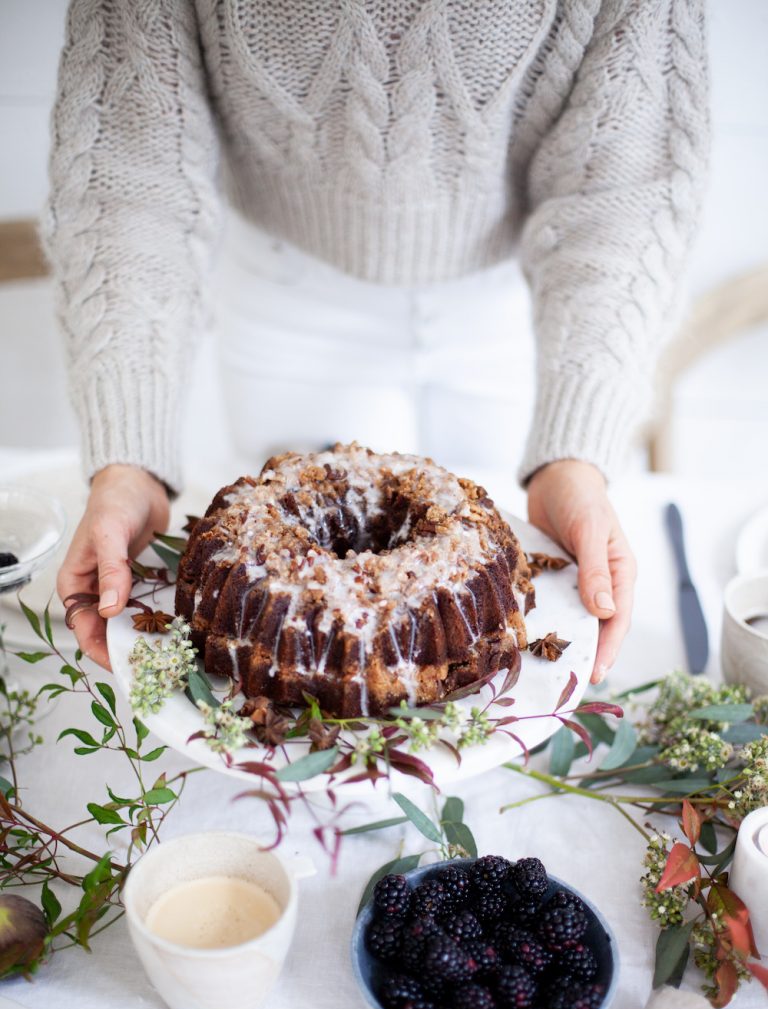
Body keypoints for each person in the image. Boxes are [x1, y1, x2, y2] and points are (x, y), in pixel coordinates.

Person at [45, 0, 708, 682]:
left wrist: (578, 457)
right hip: (289, 290)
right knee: (286, 626)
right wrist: (128, 459)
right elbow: (127, 167)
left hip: (513, 305)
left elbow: (626, 184)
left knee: (486, 606)